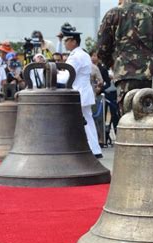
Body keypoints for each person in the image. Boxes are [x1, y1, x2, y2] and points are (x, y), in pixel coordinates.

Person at [98, 0, 153, 113]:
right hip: (151, 75)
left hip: (125, 75)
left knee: (128, 118)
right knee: (152, 116)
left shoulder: (112, 14)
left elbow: (102, 47)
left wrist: (111, 64)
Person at [57, 24, 103, 158]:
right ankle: (94, 149)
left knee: (80, 122)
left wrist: (51, 74)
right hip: (84, 92)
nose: (65, 43)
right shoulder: (83, 54)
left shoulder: (75, 56)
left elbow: (67, 77)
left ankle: (87, 149)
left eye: (67, 40)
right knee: (87, 121)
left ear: (74, 41)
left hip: (79, 93)